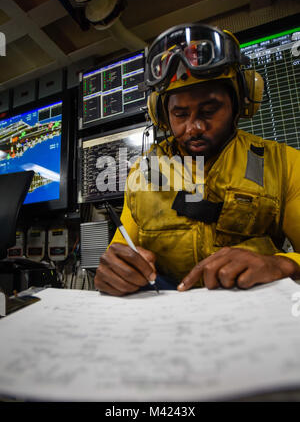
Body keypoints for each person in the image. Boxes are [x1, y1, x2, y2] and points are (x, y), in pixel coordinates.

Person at [94, 23, 300, 296]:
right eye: (180, 115)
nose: (193, 128)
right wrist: (115, 271)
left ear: (240, 103)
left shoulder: (284, 163)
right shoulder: (142, 171)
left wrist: (282, 264)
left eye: (210, 109)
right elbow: (123, 252)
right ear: (162, 114)